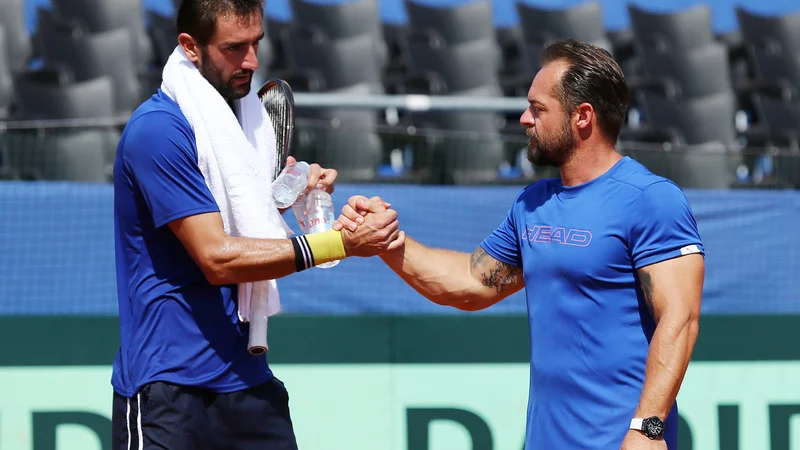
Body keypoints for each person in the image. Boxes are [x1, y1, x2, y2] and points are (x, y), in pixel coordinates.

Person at [335, 39, 705, 450]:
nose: (526, 119)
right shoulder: (532, 204)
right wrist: (387, 241)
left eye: (538, 108)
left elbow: (680, 319)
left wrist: (646, 428)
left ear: (582, 117)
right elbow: (469, 284)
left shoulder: (651, 198)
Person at [110, 0, 403, 448]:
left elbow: (243, 215)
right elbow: (217, 257)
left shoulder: (243, 121)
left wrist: (294, 187)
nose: (251, 61)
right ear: (190, 46)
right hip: (167, 390)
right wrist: (335, 244)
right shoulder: (158, 131)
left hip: (246, 381)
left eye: (255, 43)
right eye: (234, 47)